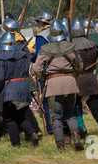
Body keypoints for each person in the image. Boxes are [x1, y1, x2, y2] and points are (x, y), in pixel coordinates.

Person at [32, 20, 84, 151]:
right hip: (70, 83)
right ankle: (76, 137)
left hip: (54, 85)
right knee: (70, 113)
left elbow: (36, 69)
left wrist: (46, 76)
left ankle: (60, 145)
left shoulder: (45, 49)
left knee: (55, 116)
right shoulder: (71, 47)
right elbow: (80, 65)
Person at [70, 18, 98, 148]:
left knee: (73, 110)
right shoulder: (92, 44)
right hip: (91, 79)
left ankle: (77, 137)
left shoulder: (71, 46)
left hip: (78, 81)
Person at [0, 31, 39, 147]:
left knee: (10, 119)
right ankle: (32, 133)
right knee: (20, 116)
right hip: (23, 87)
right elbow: (25, 73)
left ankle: (16, 144)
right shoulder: (23, 56)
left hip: (9, 90)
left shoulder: (1, 58)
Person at [30, 12, 54, 135]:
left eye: (39, 22)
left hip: (46, 71)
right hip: (59, 69)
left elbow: (40, 53)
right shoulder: (58, 32)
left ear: (42, 22)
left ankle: (50, 128)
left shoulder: (41, 36)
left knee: (46, 100)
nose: (38, 24)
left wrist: (31, 58)